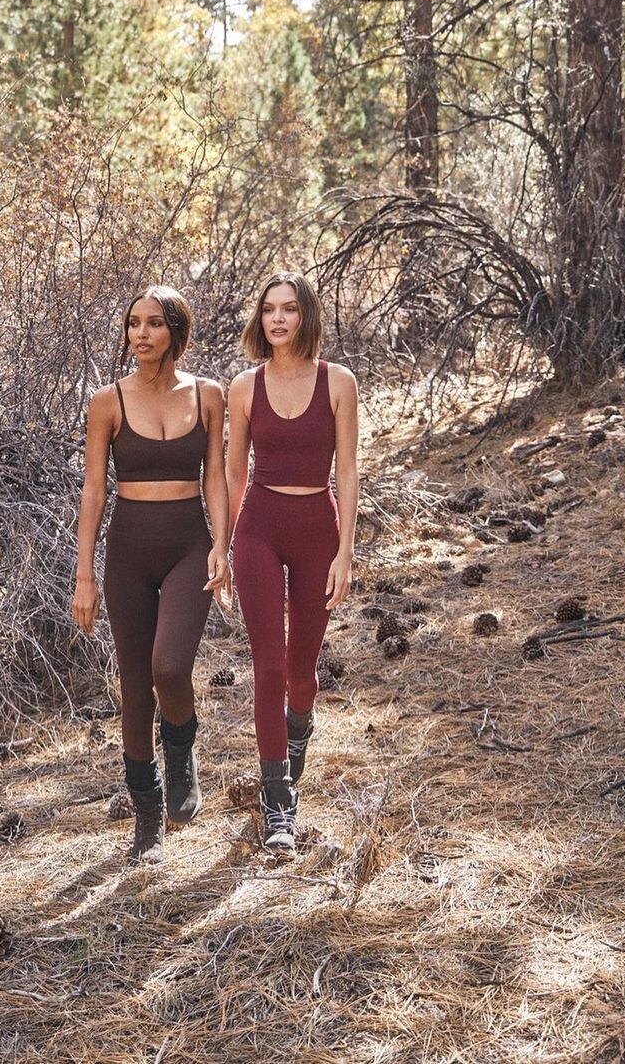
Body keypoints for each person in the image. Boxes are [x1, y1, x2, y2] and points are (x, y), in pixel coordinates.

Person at [72, 286, 230, 863]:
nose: (141, 333)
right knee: (136, 686)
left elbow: (216, 477)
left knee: (170, 667)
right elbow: (94, 490)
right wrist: (84, 575)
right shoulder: (107, 402)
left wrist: (223, 546)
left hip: (189, 545)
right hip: (128, 552)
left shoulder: (209, 395)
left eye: (154, 323)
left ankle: (181, 747)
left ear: (175, 332)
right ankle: (146, 816)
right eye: (134, 323)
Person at [226, 272, 359, 858]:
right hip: (258, 528)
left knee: (302, 670)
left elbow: (348, 471)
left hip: (317, 532)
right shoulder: (243, 386)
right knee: (270, 666)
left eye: (288, 309)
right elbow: (233, 472)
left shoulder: (339, 382)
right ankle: (278, 801)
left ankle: (298, 726)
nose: (277, 319)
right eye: (268, 309)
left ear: (306, 316)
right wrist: (224, 543)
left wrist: (346, 552)